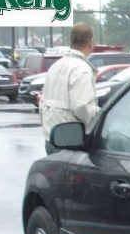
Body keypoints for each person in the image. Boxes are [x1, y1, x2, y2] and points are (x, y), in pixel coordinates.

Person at [40, 22, 99, 154]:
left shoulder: (55, 66)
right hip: (71, 142)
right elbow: (83, 107)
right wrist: (100, 121)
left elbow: (43, 102)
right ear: (91, 43)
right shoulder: (81, 69)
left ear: (71, 41)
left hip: (51, 139)